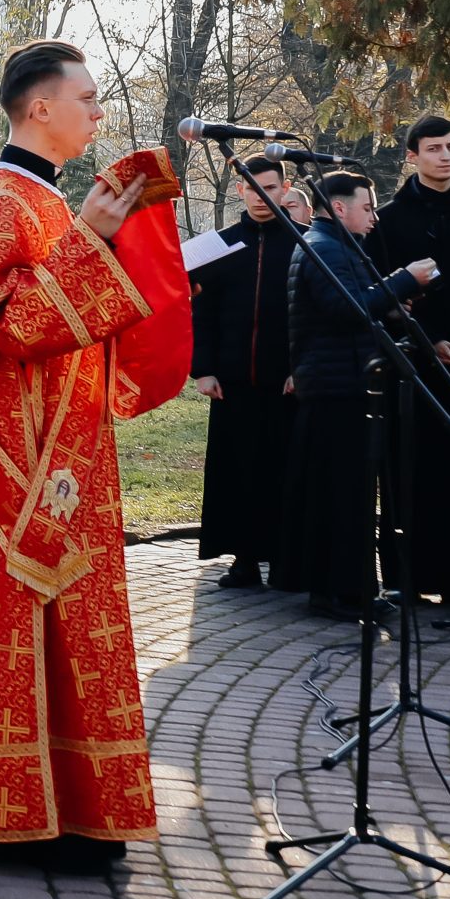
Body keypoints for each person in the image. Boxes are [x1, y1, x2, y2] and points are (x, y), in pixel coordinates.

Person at [0, 40, 191, 870]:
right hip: (19, 469)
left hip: (65, 455)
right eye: (87, 97)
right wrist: (90, 237)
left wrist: (102, 238)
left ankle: (75, 809)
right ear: (40, 107)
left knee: (72, 631)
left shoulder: (41, 199)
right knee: (20, 636)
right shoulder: (4, 202)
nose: (99, 111)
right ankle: (12, 820)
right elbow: (16, 324)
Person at [279, 170, 438, 620]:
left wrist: (389, 299)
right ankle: (344, 594)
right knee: (345, 497)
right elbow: (346, 310)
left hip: (340, 383)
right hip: (337, 389)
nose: (374, 216)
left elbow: (353, 304)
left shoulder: (335, 245)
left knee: (345, 494)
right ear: (339, 207)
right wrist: (404, 280)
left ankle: (344, 589)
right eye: (366, 207)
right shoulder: (324, 247)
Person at [365, 114, 450, 608]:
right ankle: (406, 578)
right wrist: (433, 339)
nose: (446, 155)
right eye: (434, 148)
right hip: (412, 365)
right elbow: (382, 293)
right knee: (409, 469)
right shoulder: (390, 222)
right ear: (412, 156)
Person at [189, 154, 302, 589]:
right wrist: (204, 370)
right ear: (240, 189)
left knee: (284, 469)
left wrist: (301, 368)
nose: (261, 197)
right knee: (238, 472)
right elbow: (201, 313)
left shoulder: (304, 243)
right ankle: (244, 560)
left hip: (287, 381)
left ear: (284, 189)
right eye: (252, 188)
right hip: (232, 383)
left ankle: (287, 558)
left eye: (270, 188)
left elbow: (310, 316)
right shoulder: (217, 246)